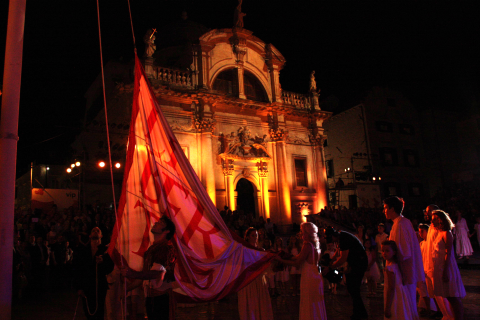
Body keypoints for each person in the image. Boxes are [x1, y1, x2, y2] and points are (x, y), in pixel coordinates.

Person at [122, 216, 177, 320]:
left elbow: (157, 273)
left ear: (166, 231)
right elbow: (144, 275)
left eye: (161, 223)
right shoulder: (151, 249)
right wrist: (127, 289)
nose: (156, 223)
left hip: (162, 298)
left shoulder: (166, 248)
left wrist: (132, 273)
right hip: (150, 298)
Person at [384, 197, 425, 320]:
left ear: (392, 208)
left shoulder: (400, 225)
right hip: (402, 272)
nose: (384, 211)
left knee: (402, 305)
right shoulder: (402, 223)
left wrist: (398, 271)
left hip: (400, 274)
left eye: (385, 208)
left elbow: (404, 252)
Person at [276, 222, 327, 320]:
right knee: (315, 301)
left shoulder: (307, 245)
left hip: (309, 276)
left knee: (308, 300)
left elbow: (297, 263)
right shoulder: (314, 245)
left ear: (307, 233)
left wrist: (281, 260)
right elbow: (297, 257)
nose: (300, 233)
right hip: (315, 274)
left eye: (302, 231)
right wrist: (287, 256)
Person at [325, 226, 368, 320]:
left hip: (358, 263)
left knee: (354, 289)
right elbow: (338, 251)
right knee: (352, 289)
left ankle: (361, 314)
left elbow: (343, 257)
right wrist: (331, 261)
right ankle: (358, 313)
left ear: (333, 236)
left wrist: (331, 267)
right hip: (355, 263)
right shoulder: (341, 236)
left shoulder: (344, 238)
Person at [431, 210, 466, 320]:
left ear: (441, 220)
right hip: (440, 266)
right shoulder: (439, 233)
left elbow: (449, 253)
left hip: (447, 266)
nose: (432, 221)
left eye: (435, 218)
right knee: (448, 295)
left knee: (453, 296)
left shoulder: (447, 233)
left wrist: (446, 271)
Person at [74, 227, 114, 320]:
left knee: (99, 310)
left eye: (98, 231)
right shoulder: (83, 251)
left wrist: (102, 261)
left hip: (100, 285)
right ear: (90, 235)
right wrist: (79, 287)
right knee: (88, 310)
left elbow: (110, 267)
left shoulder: (105, 251)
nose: (95, 232)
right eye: (93, 231)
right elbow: (77, 269)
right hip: (86, 285)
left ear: (101, 235)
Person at [423, 205, 454, 320]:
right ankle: (443, 313)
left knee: (444, 293)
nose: (428, 215)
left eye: (429, 212)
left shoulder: (442, 231)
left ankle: (449, 314)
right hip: (432, 264)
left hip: (440, 265)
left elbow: (445, 251)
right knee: (436, 292)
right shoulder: (431, 227)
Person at [237, 228, 274, 320]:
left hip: (259, 280)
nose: (255, 237)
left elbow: (266, 266)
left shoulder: (261, 250)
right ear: (248, 237)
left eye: (256, 235)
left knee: (260, 303)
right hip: (248, 280)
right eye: (253, 235)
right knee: (250, 304)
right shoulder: (243, 250)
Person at [382, 240, 413, 320]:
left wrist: (387, 307)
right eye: (383, 251)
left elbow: (391, 288)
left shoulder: (390, 268)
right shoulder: (397, 265)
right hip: (400, 294)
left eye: (387, 251)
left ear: (394, 252)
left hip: (394, 297)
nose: (384, 253)